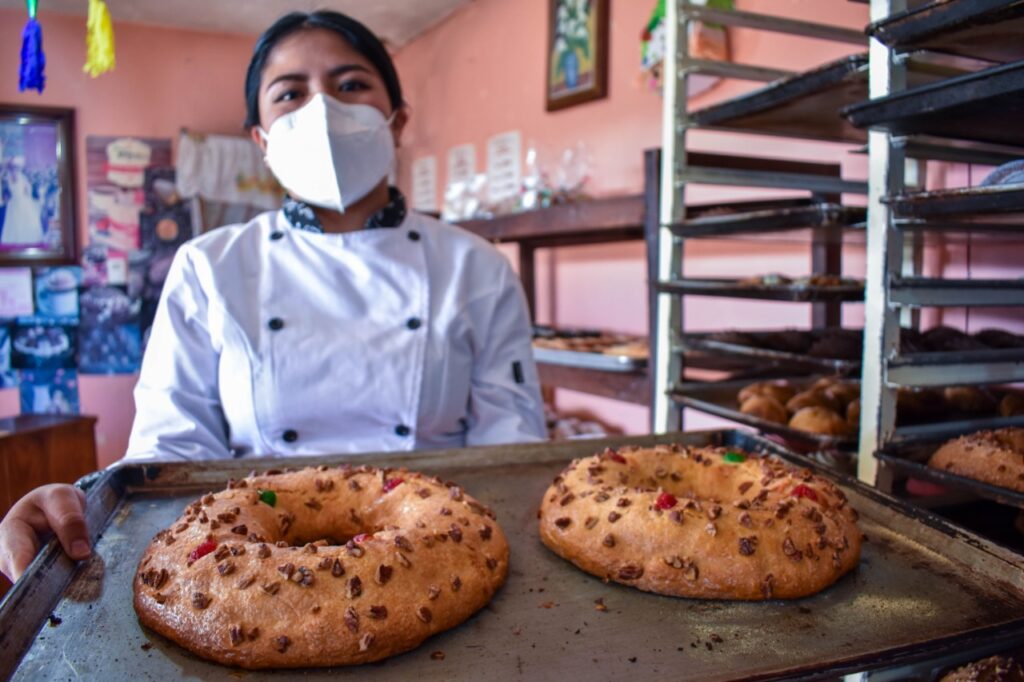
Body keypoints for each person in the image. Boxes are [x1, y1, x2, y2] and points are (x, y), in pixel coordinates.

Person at [0, 10, 546, 582]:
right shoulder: (209, 267)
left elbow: (511, 455)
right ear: (261, 139)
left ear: (397, 121)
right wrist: (85, 502)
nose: (322, 108)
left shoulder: (476, 267)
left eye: (351, 85)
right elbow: (167, 456)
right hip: (262, 569)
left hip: (438, 553)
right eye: (290, 93)